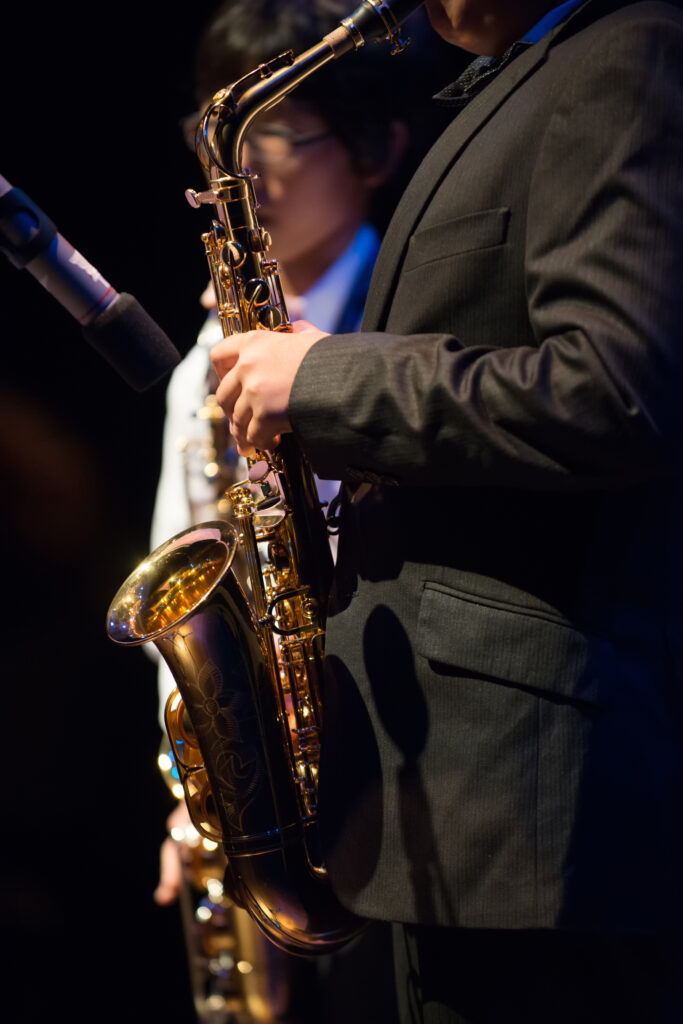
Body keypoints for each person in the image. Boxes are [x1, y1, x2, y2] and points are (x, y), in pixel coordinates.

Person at [208, 0, 683, 1021]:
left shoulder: (626, 54)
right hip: (454, 802)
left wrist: (326, 379)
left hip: (533, 809)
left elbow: (614, 386)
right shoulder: (507, 85)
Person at [149, 1, 456, 1021]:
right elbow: (180, 586)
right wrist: (209, 810)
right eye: (219, 139)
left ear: (377, 149)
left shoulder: (419, 327)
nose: (240, 172)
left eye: (275, 137)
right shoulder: (202, 364)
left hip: (424, 789)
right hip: (280, 805)